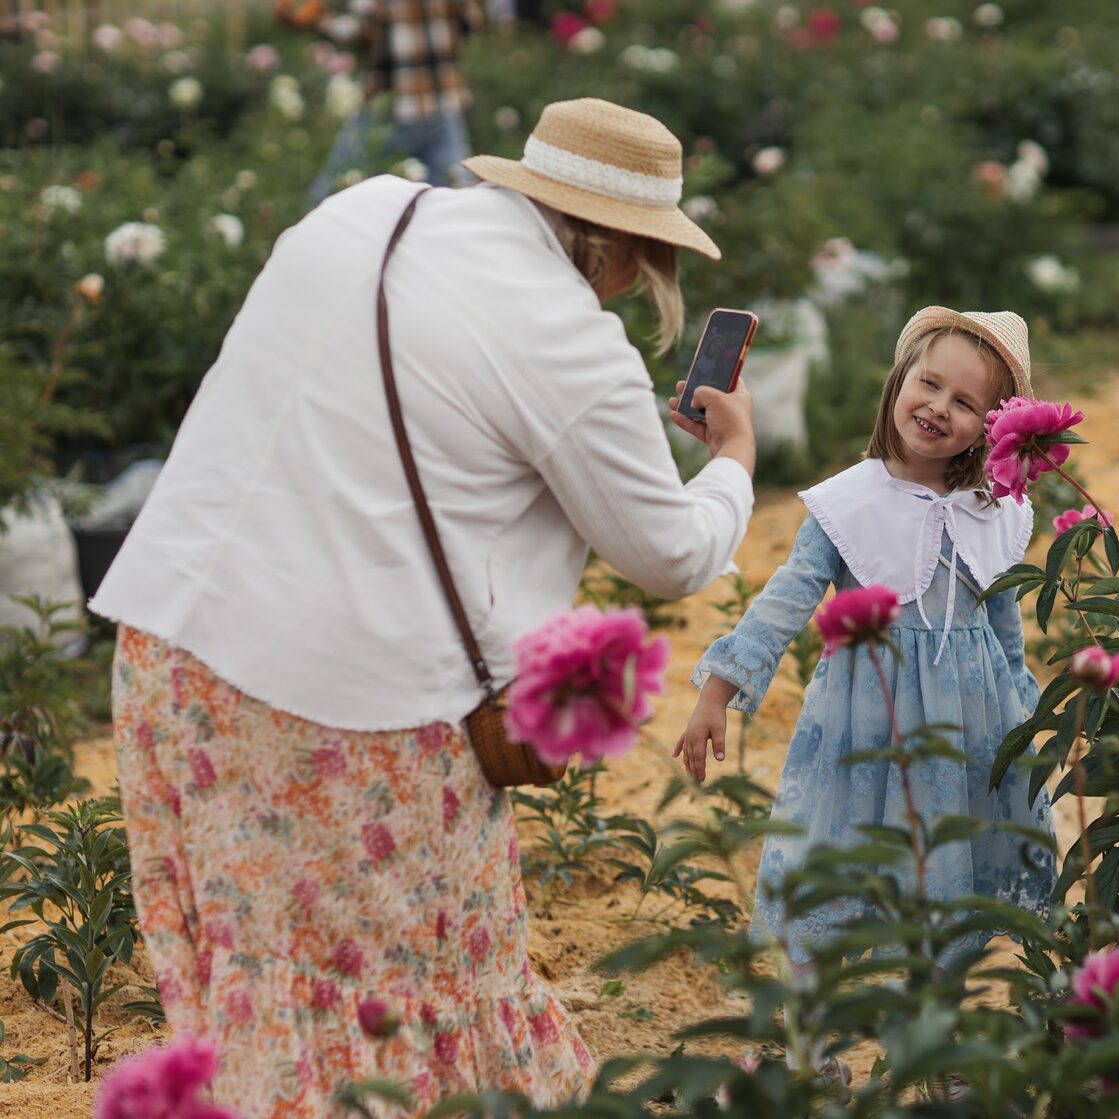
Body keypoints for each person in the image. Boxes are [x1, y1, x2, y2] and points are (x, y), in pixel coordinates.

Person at [89, 98, 755, 1116]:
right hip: (351, 714)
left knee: (250, 987)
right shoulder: (573, 346)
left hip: (177, 649)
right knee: (407, 1004)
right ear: (629, 252)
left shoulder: (357, 215)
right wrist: (735, 467)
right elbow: (668, 553)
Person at [675, 307, 1057, 969]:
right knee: (836, 869)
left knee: (949, 879)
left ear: (993, 425)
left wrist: (1027, 724)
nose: (938, 407)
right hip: (866, 725)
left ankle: (928, 1038)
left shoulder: (995, 511)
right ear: (899, 380)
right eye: (929, 384)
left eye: (965, 402)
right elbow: (787, 598)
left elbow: (1006, 626)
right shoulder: (849, 501)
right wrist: (718, 689)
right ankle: (812, 1050)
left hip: (968, 728)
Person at [308, 0, 482, 205]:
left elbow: (355, 29)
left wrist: (318, 22)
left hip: (393, 108)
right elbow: (470, 23)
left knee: (334, 193)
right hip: (443, 106)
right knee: (454, 200)